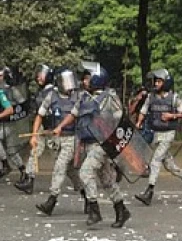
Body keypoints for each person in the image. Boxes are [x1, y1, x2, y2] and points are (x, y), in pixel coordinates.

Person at [53, 65, 132, 228]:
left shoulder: (109, 97)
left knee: (86, 172)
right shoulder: (83, 97)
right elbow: (73, 115)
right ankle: (121, 209)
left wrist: (113, 142)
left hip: (101, 143)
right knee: (107, 180)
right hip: (88, 143)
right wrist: (60, 127)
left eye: (88, 78)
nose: (84, 80)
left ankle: (94, 210)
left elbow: (120, 119)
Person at [134, 69, 182, 206]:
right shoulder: (151, 97)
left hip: (168, 133)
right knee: (169, 164)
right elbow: (143, 111)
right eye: (156, 81)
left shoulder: (174, 98)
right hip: (156, 133)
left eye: (159, 81)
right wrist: (138, 122)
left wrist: (171, 116)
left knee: (155, 160)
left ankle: (149, 191)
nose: (156, 83)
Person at [33, 68, 85, 216]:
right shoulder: (52, 96)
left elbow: (76, 116)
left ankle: (51, 200)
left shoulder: (78, 96)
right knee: (71, 171)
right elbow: (40, 115)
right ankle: (86, 194)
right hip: (56, 140)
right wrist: (34, 135)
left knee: (59, 167)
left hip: (72, 137)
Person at [15, 64, 55, 194]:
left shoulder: (53, 92)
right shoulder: (42, 92)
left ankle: (83, 189)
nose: (38, 77)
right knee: (35, 150)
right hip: (44, 126)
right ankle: (29, 179)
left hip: (55, 129)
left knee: (63, 160)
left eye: (41, 74)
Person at [0, 66, 29, 182]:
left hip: (9, 123)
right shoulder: (7, 90)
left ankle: (8, 165)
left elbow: (16, 107)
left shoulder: (9, 90)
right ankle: (19, 169)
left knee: (11, 151)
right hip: (7, 123)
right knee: (10, 150)